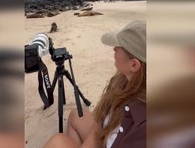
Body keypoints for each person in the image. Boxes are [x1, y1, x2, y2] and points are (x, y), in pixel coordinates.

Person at [44, 20, 146, 148]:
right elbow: (101, 122)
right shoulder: (122, 81)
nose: (114, 49)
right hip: (106, 135)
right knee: (76, 114)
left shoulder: (143, 124)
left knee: (57, 142)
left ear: (133, 64)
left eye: (119, 47)